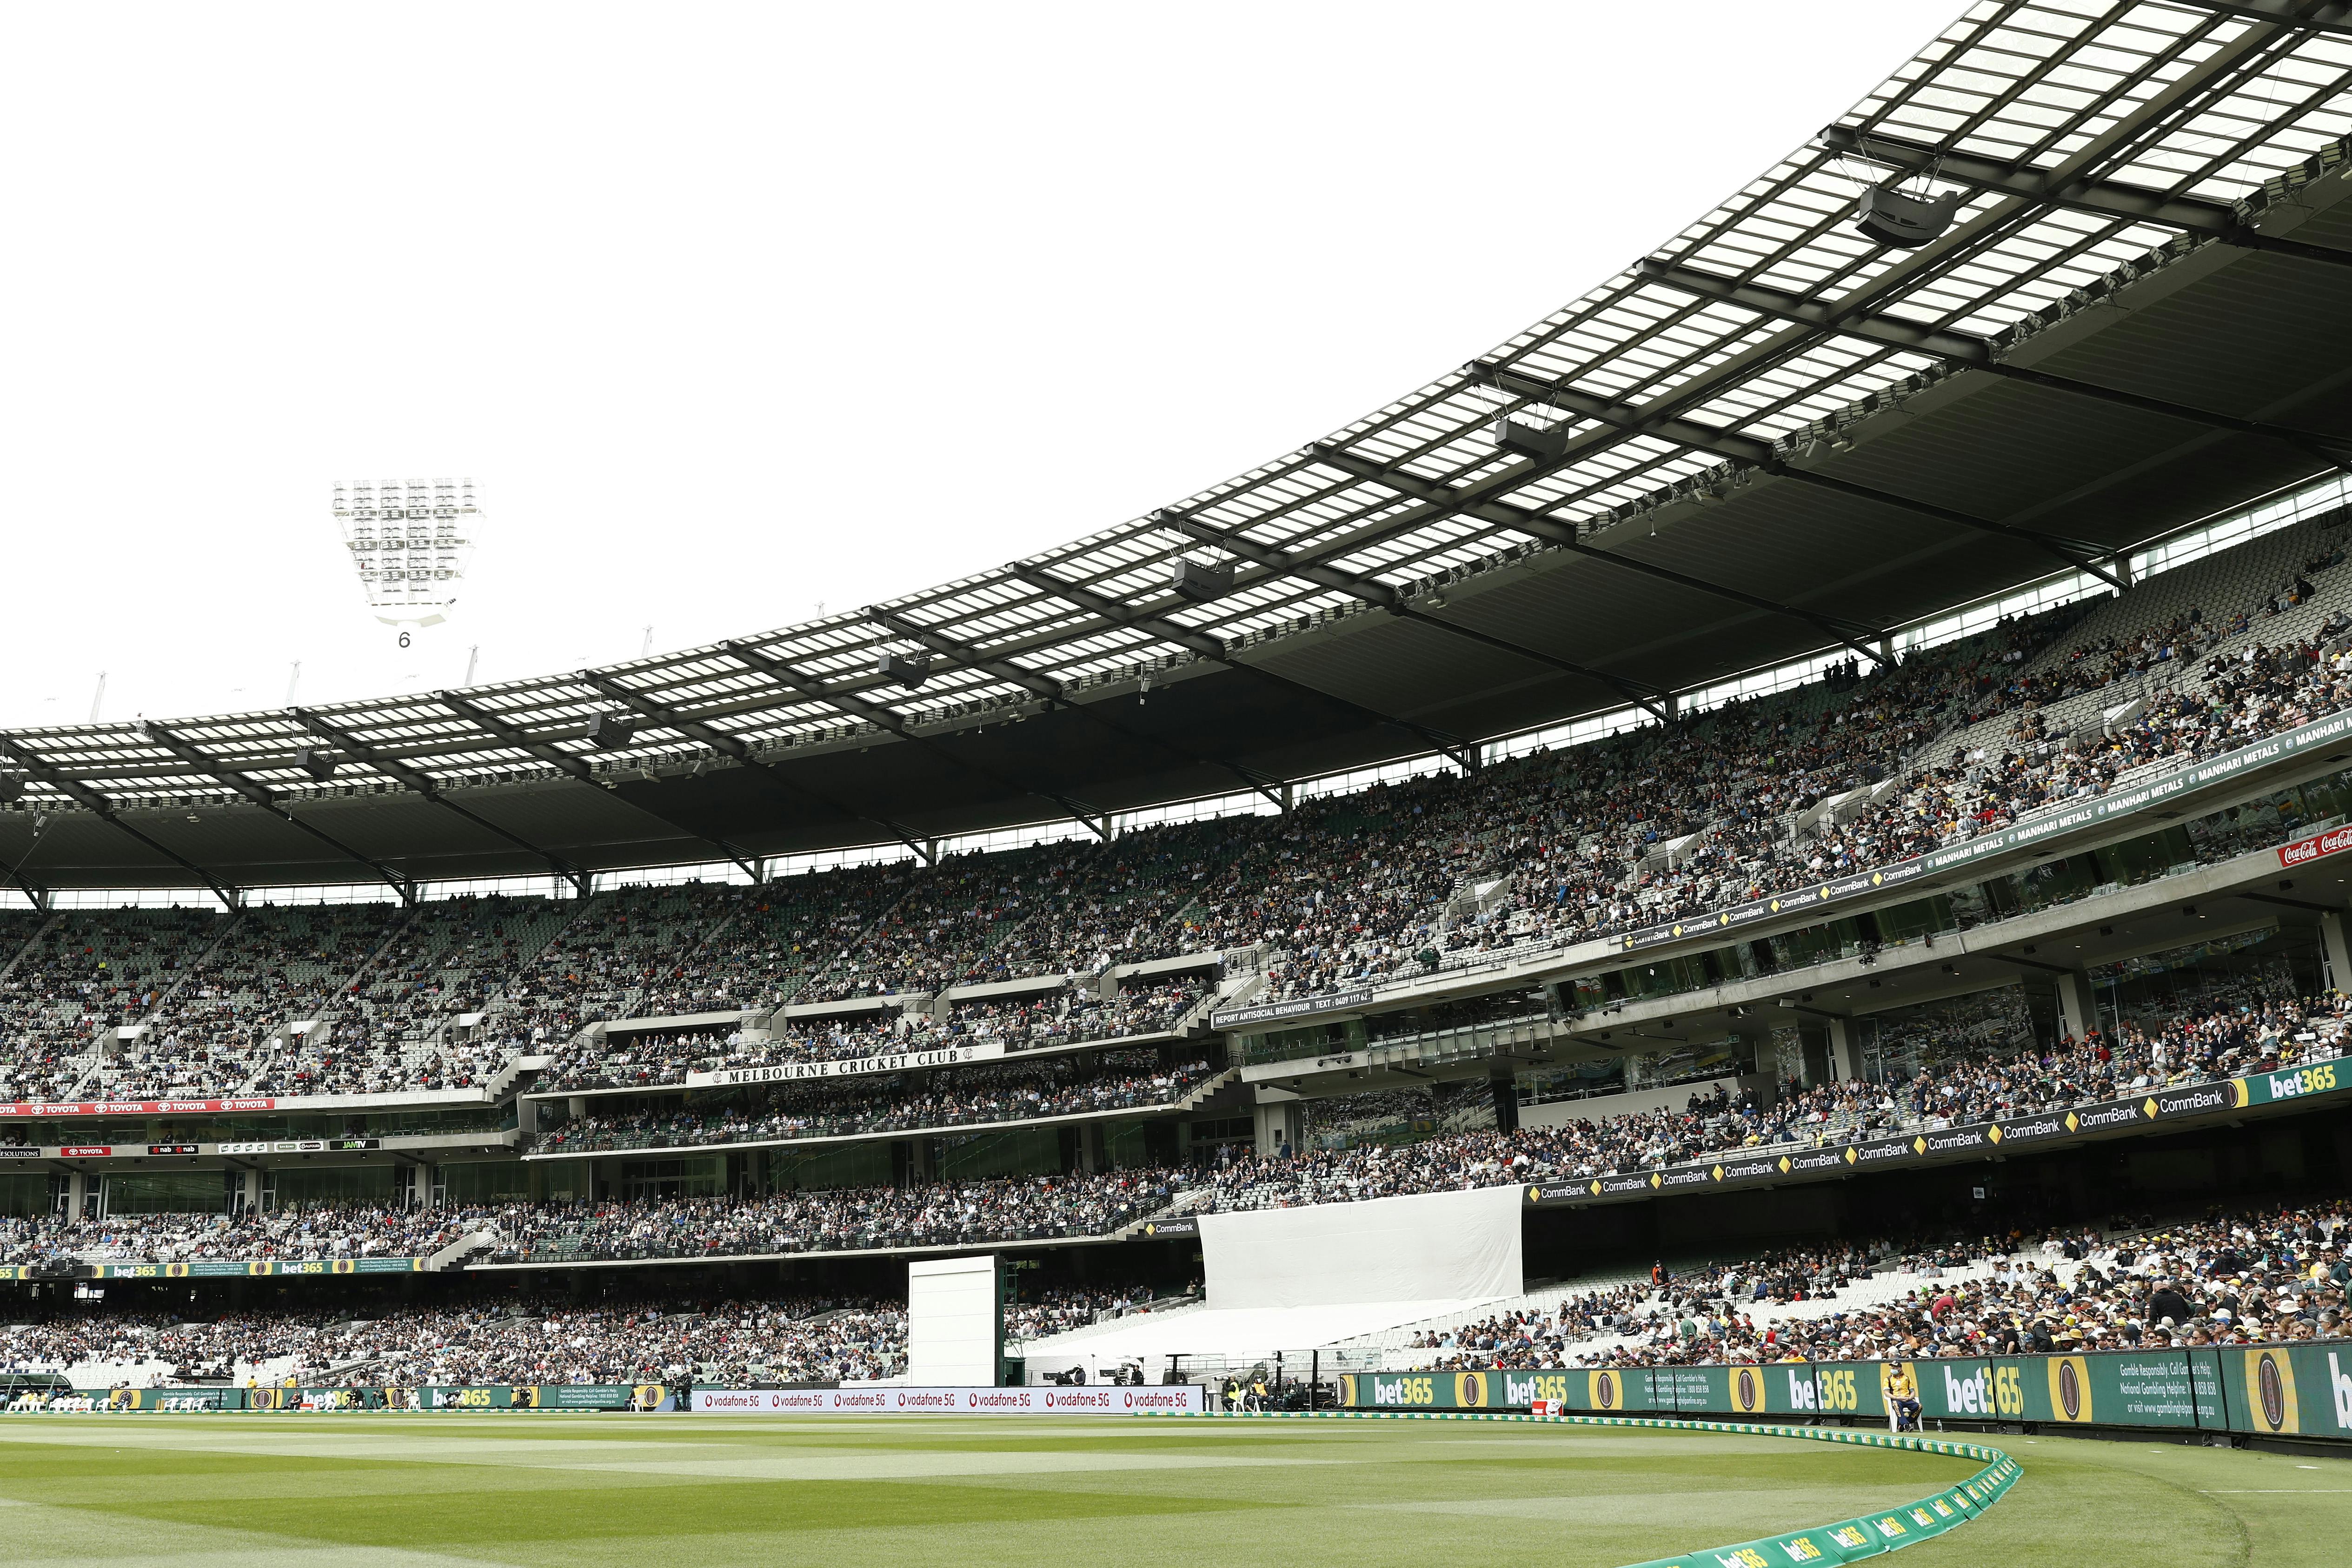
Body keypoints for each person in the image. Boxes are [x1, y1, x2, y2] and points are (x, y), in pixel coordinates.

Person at [1880, 1360, 1920, 1434]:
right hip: (1897, 1400)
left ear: (1900, 1369)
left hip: (1907, 1399)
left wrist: (1909, 1398)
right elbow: (1886, 1393)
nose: (1893, 1368)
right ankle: (1906, 1425)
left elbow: (1913, 1391)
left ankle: (1904, 1424)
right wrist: (1896, 1398)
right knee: (1896, 1405)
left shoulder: (1906, 1378)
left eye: (1895, 1367)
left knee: (1919, 1407)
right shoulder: (1888, 1379)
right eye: (1892, 1367)